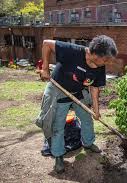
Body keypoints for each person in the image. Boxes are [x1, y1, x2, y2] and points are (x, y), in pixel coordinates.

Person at [37, 35, 118, 173]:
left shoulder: (99, 68)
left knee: (87, 118)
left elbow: (94, 88)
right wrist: (45, 67)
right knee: (58, 125)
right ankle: (58, 155)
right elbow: (46, 44)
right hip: (59, 89)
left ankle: (88, 143)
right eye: (105, 59)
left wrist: (96, 111)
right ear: (94, 54)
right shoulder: (73, 51)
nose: (106, 63)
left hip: (78, 92)